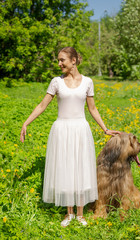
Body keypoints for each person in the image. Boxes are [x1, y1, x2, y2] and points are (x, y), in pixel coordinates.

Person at [20, 47, 120, 227]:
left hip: (81, 130)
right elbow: (42, 105)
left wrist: (105, 129)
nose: (59, 64)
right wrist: (26, 123)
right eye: (58, 60)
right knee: (65, 168)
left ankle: (80, 214)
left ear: (73, 60)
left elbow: (93, 108)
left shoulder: (88, 82)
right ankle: (69, 213)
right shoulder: (56, 82)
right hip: (62, 129)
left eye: (62, 60)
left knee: (80, 167)